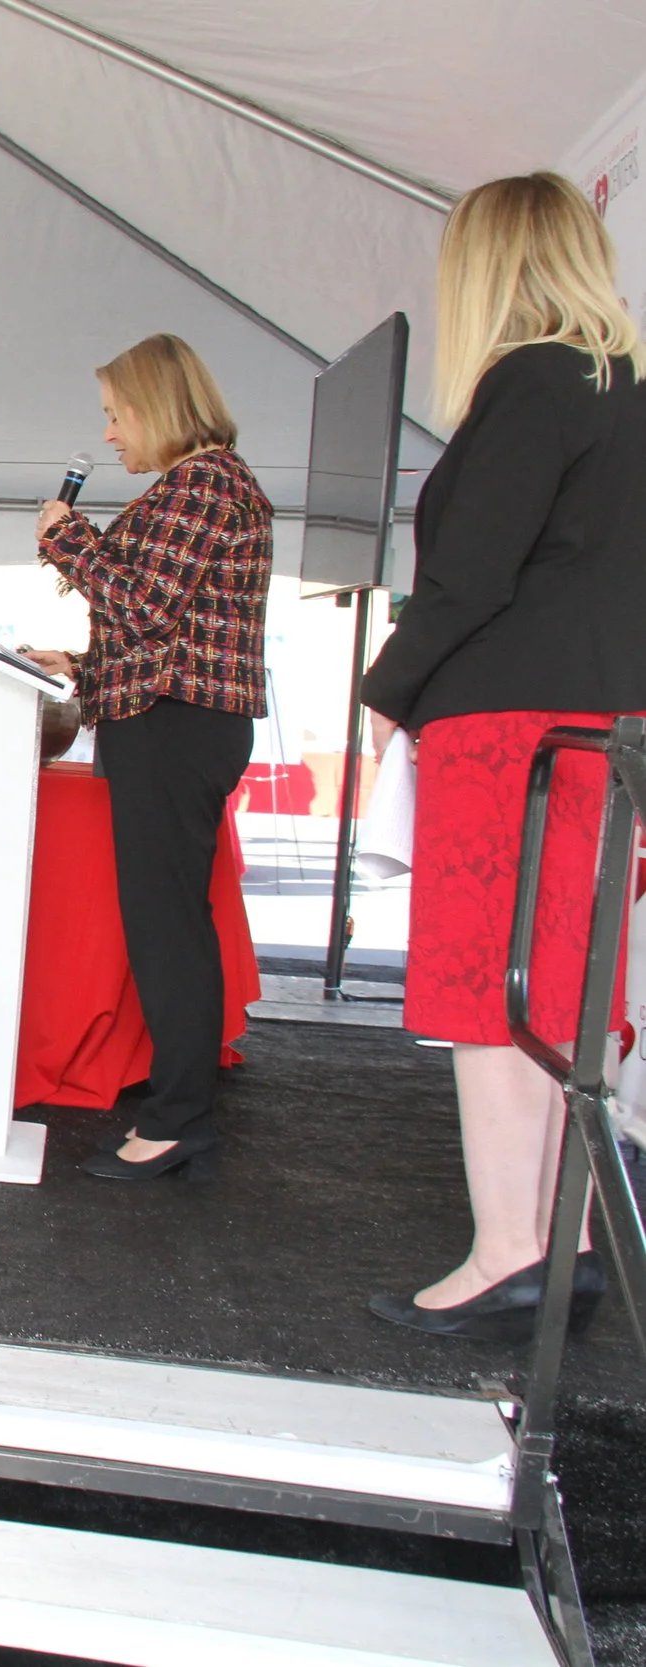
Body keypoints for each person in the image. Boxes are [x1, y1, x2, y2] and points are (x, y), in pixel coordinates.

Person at [347, 174, 646, 1338]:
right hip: (600, 734)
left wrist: (386, 689)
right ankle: (559, 1238)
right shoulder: (625, 390)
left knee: (489, 990)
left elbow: (467, 573)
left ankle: (508, 1244)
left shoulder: (531, 382)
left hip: (508, 737)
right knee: (563, 990)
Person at [27, 331, 271, 1183]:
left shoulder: (206, 482)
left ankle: (178, 1119)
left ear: (156, 406)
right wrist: (85, 667)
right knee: (167, 920)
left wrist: (69, 541)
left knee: (168, 925)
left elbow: (146, 604)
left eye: (116, 413)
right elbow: (169, 629)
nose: (109, 435)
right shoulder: (199, 485)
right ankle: (178, 1106)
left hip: (177, 729)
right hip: (168, 719)